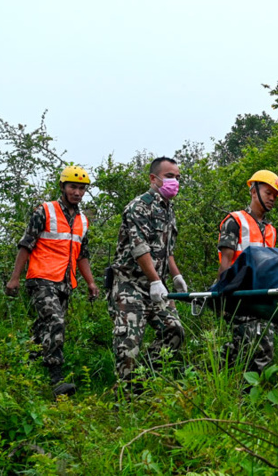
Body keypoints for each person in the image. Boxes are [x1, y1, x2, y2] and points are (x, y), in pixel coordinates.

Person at [5, 165, 100, 397]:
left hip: (65, 283)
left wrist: (91, 283)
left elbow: (82, 255)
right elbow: (26, 244)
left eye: (81, 188)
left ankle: (22, 367)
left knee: (42, 329)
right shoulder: (44, 211)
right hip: (41, 279)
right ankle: (56, 379)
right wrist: (14, 278)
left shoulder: (82, 221)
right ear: (62, 187)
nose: (77, 192)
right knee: (56, 322)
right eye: (73, 187)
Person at [109, 157, 186, 386]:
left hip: (157, 287)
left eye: (178, 177)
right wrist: (155, 281)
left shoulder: (168, 209)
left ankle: (147, 381)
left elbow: (166, 250)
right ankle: (126, 395)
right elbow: (140, 247)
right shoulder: (138, 207)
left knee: (174, 331)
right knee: (128, 342)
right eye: (170, 176)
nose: (175, 181)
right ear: (154, 179)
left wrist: (176, 277)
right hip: (130, 285)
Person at [217, 169, 278, 373]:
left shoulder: (271, 230)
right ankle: (255, 394)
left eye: (275, 195)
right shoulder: (234, 221)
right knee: (262, 347)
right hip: (238, 295)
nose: (272, 198)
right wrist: (223, 297)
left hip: (261, 297)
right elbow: (225, 261)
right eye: (268, 192)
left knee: (243, 348)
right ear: (253, 191)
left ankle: (224, 378)